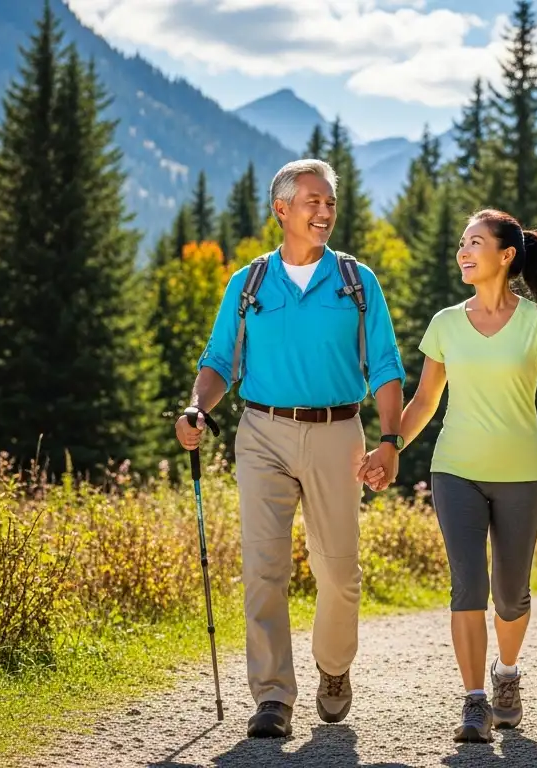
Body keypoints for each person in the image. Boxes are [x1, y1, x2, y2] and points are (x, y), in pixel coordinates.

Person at [176, 158, 406, 739]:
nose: (325, 212)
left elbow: (384, 365)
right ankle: (273, 695)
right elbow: (219, 360)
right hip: (262, 434)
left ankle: (333, 668)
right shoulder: (248, 283)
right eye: (313, 202)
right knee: (264, 567)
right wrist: (198, 408)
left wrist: (390, 440)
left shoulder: (357, 282)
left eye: (330, 202)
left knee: (339, 571)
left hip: (337, 433)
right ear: (281, 209)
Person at [361, 208, 537, 742]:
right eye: (461, 244)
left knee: (511, 595)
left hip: (521, 473)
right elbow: (423, 401)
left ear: (506, 255)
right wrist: (390, 445)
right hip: (455, 470)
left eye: (475, 243)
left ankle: (506, 674)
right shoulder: (445, 324)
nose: (464, 253)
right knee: (468, 584)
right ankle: (473, 700)